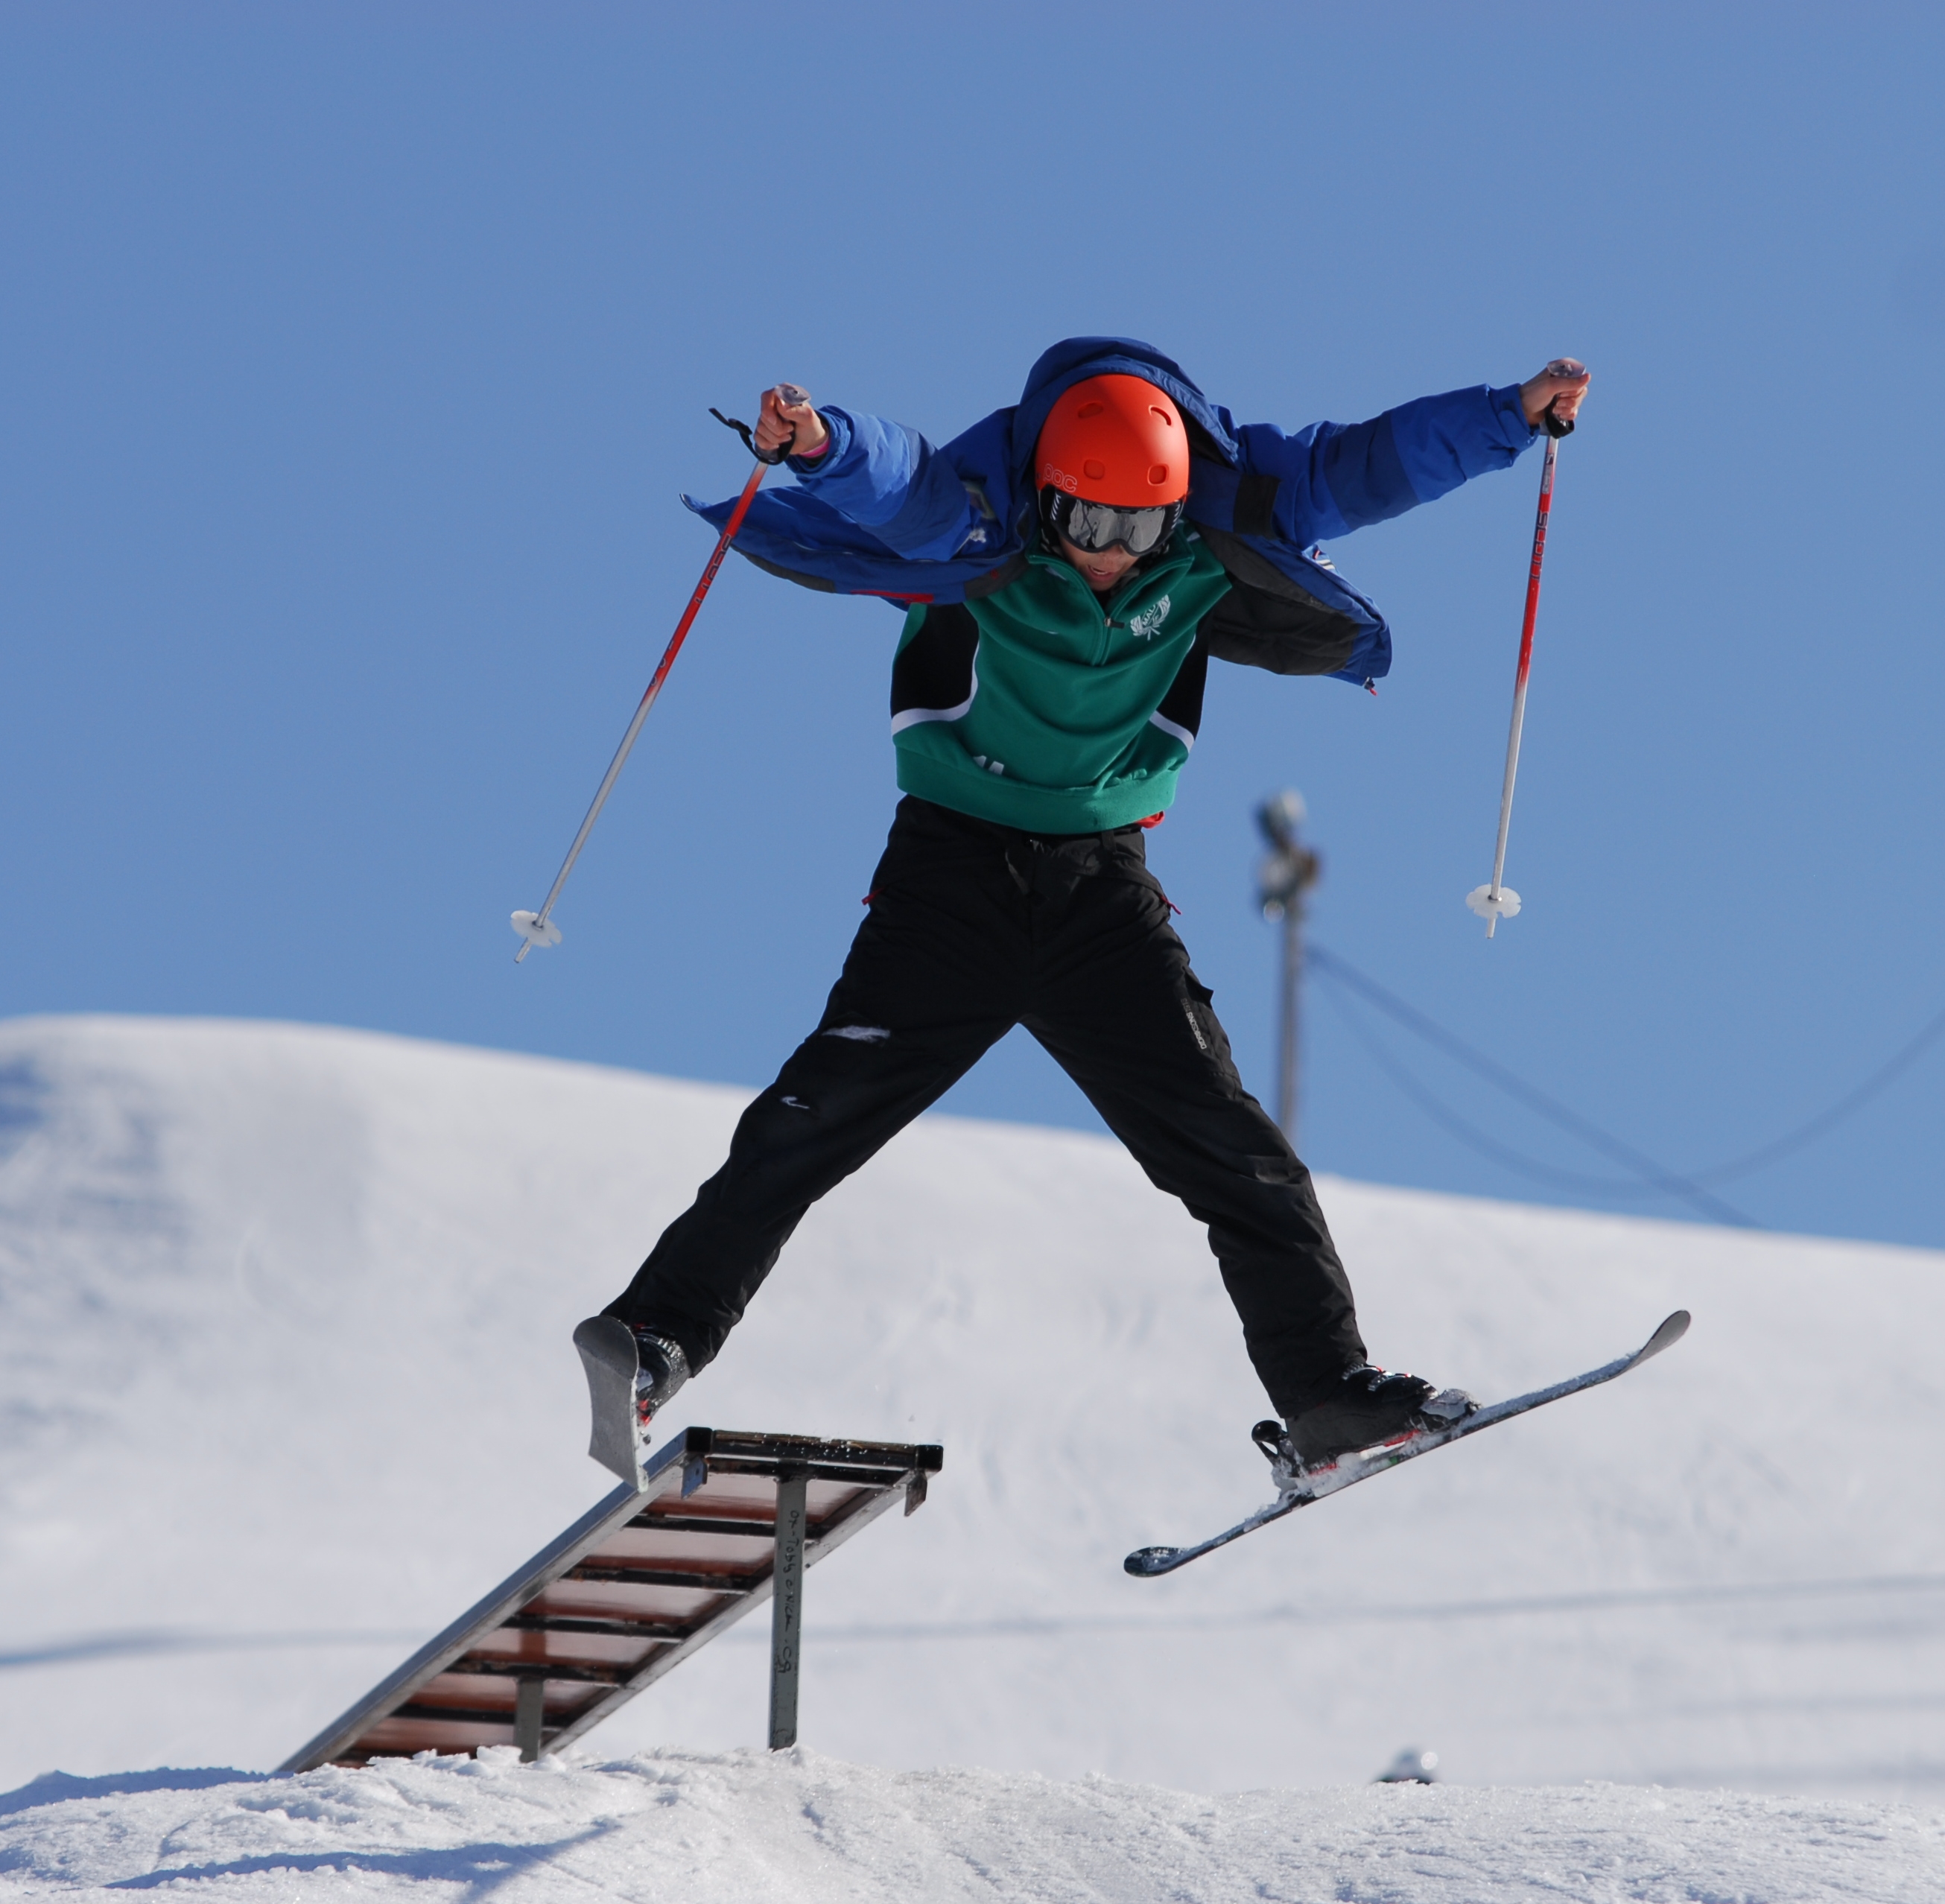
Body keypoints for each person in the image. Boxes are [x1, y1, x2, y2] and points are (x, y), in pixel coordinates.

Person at [589, 337, 1589, 1468]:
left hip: (1101, 897)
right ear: (1048, 497)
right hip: (949, 883)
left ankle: (1324, 1396)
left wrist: (1512, 412)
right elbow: (896, 480)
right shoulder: (980, 521)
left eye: (1141, 530)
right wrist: (819, 444)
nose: (1114, 556)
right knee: (814, 1122)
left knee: (1235, 1152)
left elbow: (1369, 465)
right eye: (1091, 526)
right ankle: (652, 1337)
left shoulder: (1231, 514)